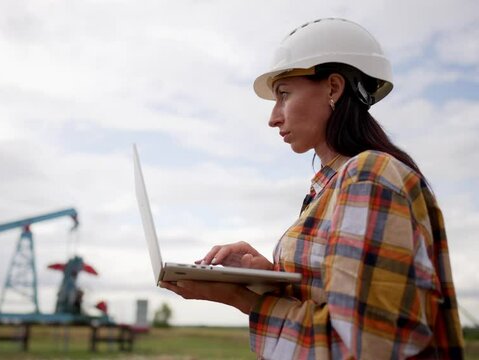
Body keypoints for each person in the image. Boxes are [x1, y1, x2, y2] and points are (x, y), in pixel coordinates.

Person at [159, 18, 464, 359]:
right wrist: (270, 277)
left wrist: (239, 298)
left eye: (284, 94)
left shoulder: (368, 175)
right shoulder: (333, 186)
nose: (273, 117)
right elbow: (331, 300)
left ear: (333, 88)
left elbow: (364, 346)